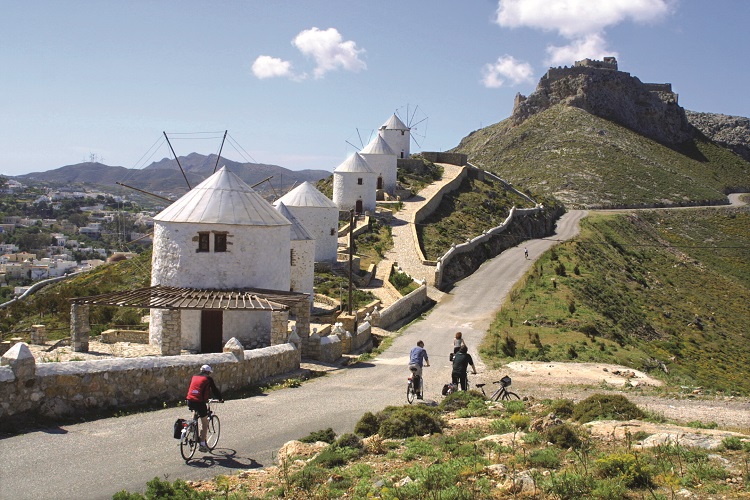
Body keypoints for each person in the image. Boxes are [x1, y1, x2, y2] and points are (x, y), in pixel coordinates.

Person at [186, 364, 223, 452]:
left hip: (189, 400)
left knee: (195, 410)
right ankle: (202, 444)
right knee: (204, 422)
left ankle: (192, 425)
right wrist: (220, 398)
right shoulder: (208, 379)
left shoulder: (194, 376)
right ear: (208, 372)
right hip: (199, 402)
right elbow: (214, 389)